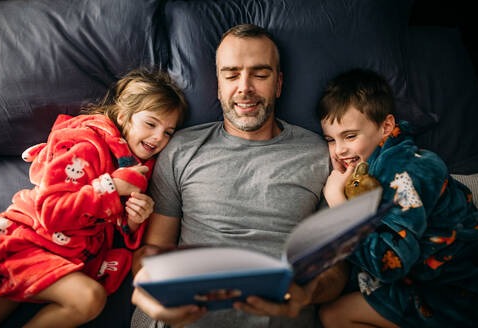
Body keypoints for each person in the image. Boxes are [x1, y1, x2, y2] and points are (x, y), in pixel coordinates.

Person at [131, 24, 350, 328]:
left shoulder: (319, 154)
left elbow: (336, 271)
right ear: (218, 86)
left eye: (260, 75)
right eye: (232, 75)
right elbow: (150, 250)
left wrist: (308, 290)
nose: (244, 87)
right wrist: (150, 283)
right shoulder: (180, 148)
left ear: (278, 84)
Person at [0, 68, 187, 328]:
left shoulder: (139, 172)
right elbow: (50, 211)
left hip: (59, 257)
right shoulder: (85, 144)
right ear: (123, 117)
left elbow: (114, 233)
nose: (158, 138)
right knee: (88, 298)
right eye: (151, 124)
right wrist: (111, 188)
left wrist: (133, 221)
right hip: (25, 240)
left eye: (168, 132)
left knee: (89, 299)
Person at [316, 68, 478, 328]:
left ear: (386, 126)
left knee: (334, 316)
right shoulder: (368, 167)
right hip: (426, 277)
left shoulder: (406, 172)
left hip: (460, 286)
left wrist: (339, 206)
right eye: (330, 139)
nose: (339, 151)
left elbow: (390, 264)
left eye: (350, 136)